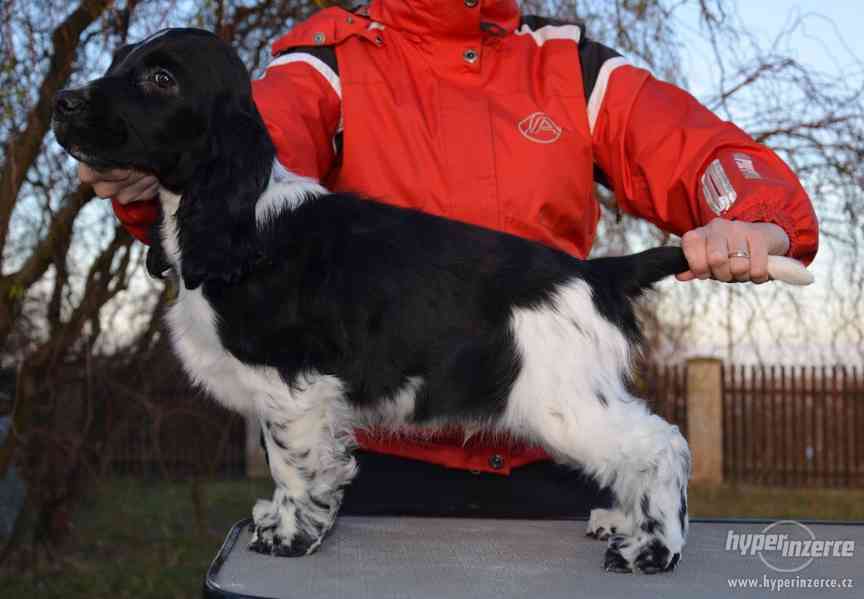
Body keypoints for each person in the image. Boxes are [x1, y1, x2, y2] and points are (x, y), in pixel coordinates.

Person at [79, 1, 818, 518]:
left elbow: (703, 153)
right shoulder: (328, 65)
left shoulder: (571, 66)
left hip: (557, 461)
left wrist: (753, 219)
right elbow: (249, 147)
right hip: (383, 472)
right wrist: (150, 174)